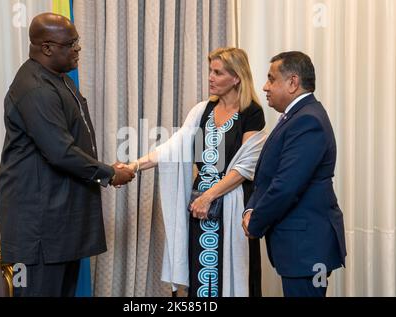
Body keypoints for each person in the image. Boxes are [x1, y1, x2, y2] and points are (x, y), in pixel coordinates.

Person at [0, 13, 135, 297]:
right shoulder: (34, 88)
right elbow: (60, 151)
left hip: (59, 227)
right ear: (47, 48)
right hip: (38, 233)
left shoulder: (57, 79)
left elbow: (70, 144)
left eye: (77, 42)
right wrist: (108, 174)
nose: (77, 49)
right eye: (70, 43)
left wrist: (104, 168)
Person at [124, 48, 267, 297]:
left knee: (231, 276)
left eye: (217, 72)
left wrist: (208, 196)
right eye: (210, 71)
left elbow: (244, 168)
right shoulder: (202, 111)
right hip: (199, 209)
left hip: (230, 208)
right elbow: (172, 148)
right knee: (200, 275)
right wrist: (134, 166)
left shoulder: (252, 113)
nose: (210, 77)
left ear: (236, 77)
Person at [242, 51, 347, 297]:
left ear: (292, 82)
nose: (265, 87)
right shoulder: (295, 116)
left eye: (271, 79)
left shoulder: (308, 120)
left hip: (307, 248)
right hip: (299, 247)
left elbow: (286, 186)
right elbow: (267, 177)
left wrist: (255, 222)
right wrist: (251, 209)